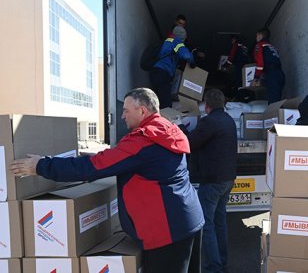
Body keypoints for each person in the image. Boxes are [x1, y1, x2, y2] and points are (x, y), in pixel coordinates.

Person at [10, 88, 205, 273]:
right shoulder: (166, 131)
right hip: (188, 220)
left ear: (142, 110)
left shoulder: (143, 140)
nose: (122, 116)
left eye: (126, 110)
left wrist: (40, 166)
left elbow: (92, 168)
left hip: (167, 232)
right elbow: (123, 159)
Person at [184, 89, 237, 273]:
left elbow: (190, 143)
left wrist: (182, 129)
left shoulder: (208, 122)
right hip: (227, 179)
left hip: (213, 180)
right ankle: (222, 262)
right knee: (220, 221)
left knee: (206, 224)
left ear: (207, 106)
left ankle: (214, 268)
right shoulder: (228, 120)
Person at [151, 26, 196, 109]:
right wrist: (192, 62)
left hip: (154, 73)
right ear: (181, 36)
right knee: (166, 105)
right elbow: (186, 55)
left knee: (157, 102)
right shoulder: (176, 41)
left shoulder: (167, 41)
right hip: (163, 73)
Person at [250, 28, 285, 104]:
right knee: (277, 101)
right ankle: (279, 115)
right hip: (280, 74)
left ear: (260, 35)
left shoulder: (259, 45)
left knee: (273, 103)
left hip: (272, 75)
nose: (256, 38)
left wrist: (255, 79)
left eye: (256, 36)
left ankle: (274, 115)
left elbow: (260, 64)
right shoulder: (271, 47)